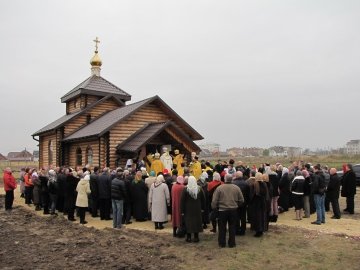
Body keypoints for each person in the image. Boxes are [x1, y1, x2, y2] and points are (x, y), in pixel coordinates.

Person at [212, 174, 244, 248]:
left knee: (222, 227)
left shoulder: (219, 188)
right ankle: (232, 243)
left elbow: (214, 201)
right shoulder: (236, 188)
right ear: (232, 179)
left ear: (225, 179)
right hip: (233, 210)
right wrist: (237, 206)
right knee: (232, 227)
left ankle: (222, 243)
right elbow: (241, 200)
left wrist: (215, 209)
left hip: (222, 210)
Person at [180, 176, 205, 243]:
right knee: (197, 222)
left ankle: (189, 237)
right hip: (197, 208)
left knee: (189, 222)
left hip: (188, 209)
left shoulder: (185, 189)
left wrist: (182, 211)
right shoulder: (199, 189)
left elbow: (182, 201)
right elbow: (203, 199)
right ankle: (196, 237)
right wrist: (202, 208)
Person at [248, 172, 269, 237]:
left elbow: (251, 196)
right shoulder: (264, 184)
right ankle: (261, 229)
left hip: (256, 204)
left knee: (257, 217)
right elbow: (266, 195)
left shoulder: (253, 185)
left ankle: (258, 231)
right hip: (263, 202)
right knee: (262, 216)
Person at [232, 171, 249, 235]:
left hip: (235, 203)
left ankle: (237, 229)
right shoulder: (246, 183)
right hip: (244, 203)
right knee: (243, 217)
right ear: (242, 176)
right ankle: (243, 230)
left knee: (236, 216)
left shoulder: (233, 183)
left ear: (236, 176)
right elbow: (248, 194)